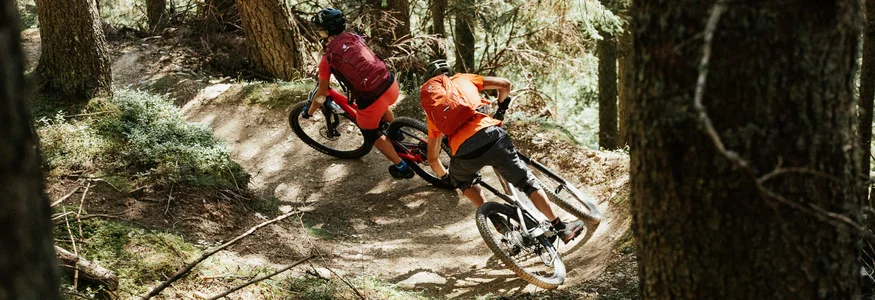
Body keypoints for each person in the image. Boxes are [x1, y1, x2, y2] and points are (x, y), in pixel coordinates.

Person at [420, 59, 586, 243]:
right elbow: (505, 84)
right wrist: (501, 108)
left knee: (463, 181)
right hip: (492, 136)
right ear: (450, 73)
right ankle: (560, 227)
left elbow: (433, 159)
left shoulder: (434, 112)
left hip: (464, 153)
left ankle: (493, 218)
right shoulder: (463, 79)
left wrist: (447, 178)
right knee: (525, 182)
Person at [305, 8, 413, 179]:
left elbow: (322, 93)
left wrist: (309, 112)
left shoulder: (328, 58)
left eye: (319, 29)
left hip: (372, 97)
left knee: (370, 131)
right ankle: (396, 133)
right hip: (391, 84)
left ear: (325, 31)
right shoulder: (354, 38)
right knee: (380, 102)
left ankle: (401, 166)